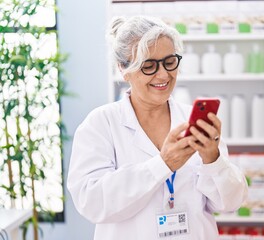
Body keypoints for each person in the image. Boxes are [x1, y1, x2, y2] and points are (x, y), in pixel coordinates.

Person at [67, 15, 248, 240]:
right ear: (124, 69)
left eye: (169, 62)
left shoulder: (192, 120)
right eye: (149, 66)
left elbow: (230, 202)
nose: (163, 75)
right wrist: (162, 165)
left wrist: (213, 160)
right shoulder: (100, 124)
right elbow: (91, 203)